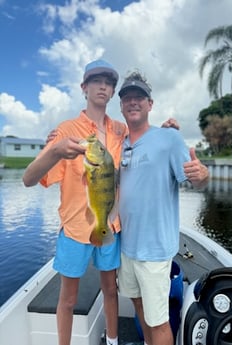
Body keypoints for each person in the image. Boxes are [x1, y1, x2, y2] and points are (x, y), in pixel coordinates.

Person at [22, 60, 179, 345]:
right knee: (68, 300)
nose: (103, 86)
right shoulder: (66, 129)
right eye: (96, 80)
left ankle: (113, 340)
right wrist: (55, 151)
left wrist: (165, 130)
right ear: (84, 87)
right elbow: (29, 179)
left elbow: (146, 138)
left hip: (109, 223)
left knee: (111, 290)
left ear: (112, 91)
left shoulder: (121, 130)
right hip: (74, 229)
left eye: (108, 82)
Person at [117, 71, 209, 345]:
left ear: (150, 104)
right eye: (127, 98)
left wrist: (203, 176)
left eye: (139, 97)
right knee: (139, 306)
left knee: (159, 321)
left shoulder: (169, 139)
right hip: (125, 247)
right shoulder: (117, 144)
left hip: (155, 251)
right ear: (121, 105)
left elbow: (197, 181)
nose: (133, 102)